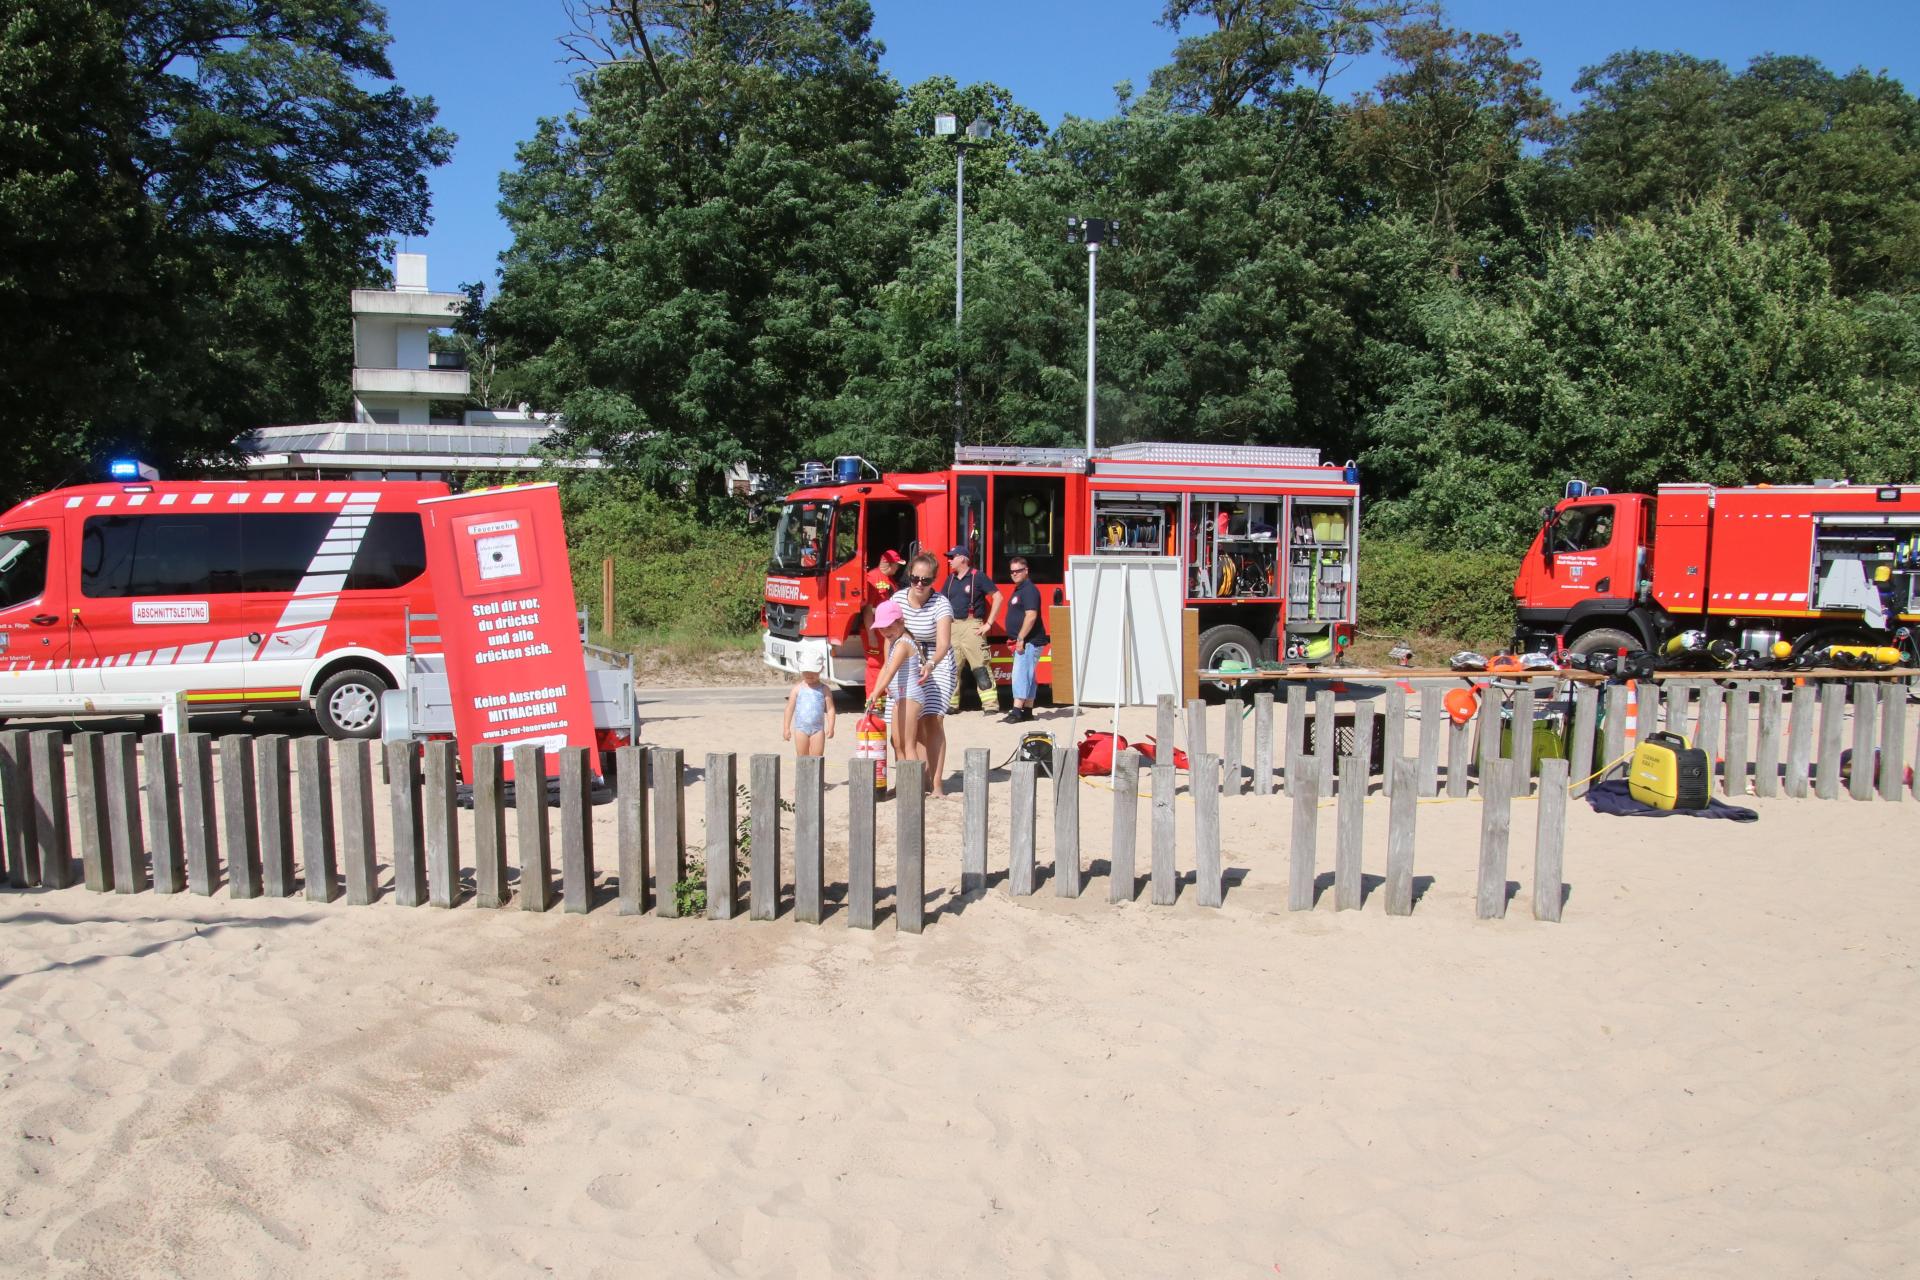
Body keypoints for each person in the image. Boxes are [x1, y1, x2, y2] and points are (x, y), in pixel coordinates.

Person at [896, 551, 956, 795]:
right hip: (909, 657)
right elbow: (892, 635)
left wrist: (930, 664)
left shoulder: (941, 603)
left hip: (937, 660)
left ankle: (937, 782)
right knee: (914, 721)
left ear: (934, 580)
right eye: (915, 578)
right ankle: (919, 779)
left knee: (933, 719)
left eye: (926, 580)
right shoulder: (898, 599)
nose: (919, 584)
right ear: (909, 576)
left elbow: (943, 643)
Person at [940, 545, 1002, 713]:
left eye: (953, 557)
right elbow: (941, 602)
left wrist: (988, 624)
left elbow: (998, 597)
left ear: (963, 559)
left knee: (980, 667)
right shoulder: (950, 579)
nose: (949, 560)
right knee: (952, 668)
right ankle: (951, 705)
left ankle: (990, 706)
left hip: (972, 625)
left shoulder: (978, 577)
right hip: (953, 627)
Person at [1001, 556, 1048, 723]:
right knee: (1029, 675)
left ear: (1026, 571)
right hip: (1024, 640)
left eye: (1018, 571)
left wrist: (1020, 638)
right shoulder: (1020, 589)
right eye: (1012, 571)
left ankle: (1016, 711)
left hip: (1029, 641)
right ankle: (1028, 710)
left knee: (1020, 674)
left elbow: (1031, 616)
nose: (1014, 574)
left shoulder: (1029, 590)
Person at [861, 549, 906, 698]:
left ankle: (882, 697)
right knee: (875, 664)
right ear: (888, 563)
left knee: (886, 663)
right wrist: (871, 634)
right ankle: (873, 700)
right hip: (875, 630)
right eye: (896, 565)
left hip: (887, 631)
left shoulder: (890, 580)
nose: (898, 568)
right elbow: (867, 610)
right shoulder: (871, 579)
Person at [782, 659, 835, 757]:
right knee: (802, 757)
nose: (809, 674)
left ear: (820, 669)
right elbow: (789, 709)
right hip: (801, 729)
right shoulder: (797, 689)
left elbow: (830, 709)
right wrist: (786, 728)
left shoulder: (824, 689)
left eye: (813, 672)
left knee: (817, 757)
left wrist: (831, 727)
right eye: (806, 672)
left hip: (818, 729)